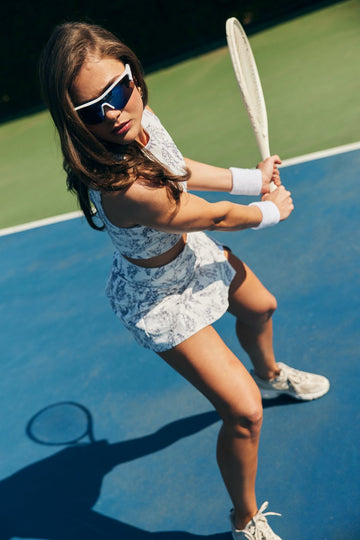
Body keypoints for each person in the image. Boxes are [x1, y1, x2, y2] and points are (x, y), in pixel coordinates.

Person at [39, 22, 329, 540]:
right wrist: (267, 211)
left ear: (132, 75)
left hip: (189, 254)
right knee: (243, 414)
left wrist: (251, 178)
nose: (113, 112)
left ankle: (269, 372)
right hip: (158, 296)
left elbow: (179, 167)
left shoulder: (140, 116)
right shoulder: (123, 187)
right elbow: (209, 216)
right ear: (73, 119)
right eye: (91, 109)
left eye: (118, 91)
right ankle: (244, 520)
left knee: (261, 307)